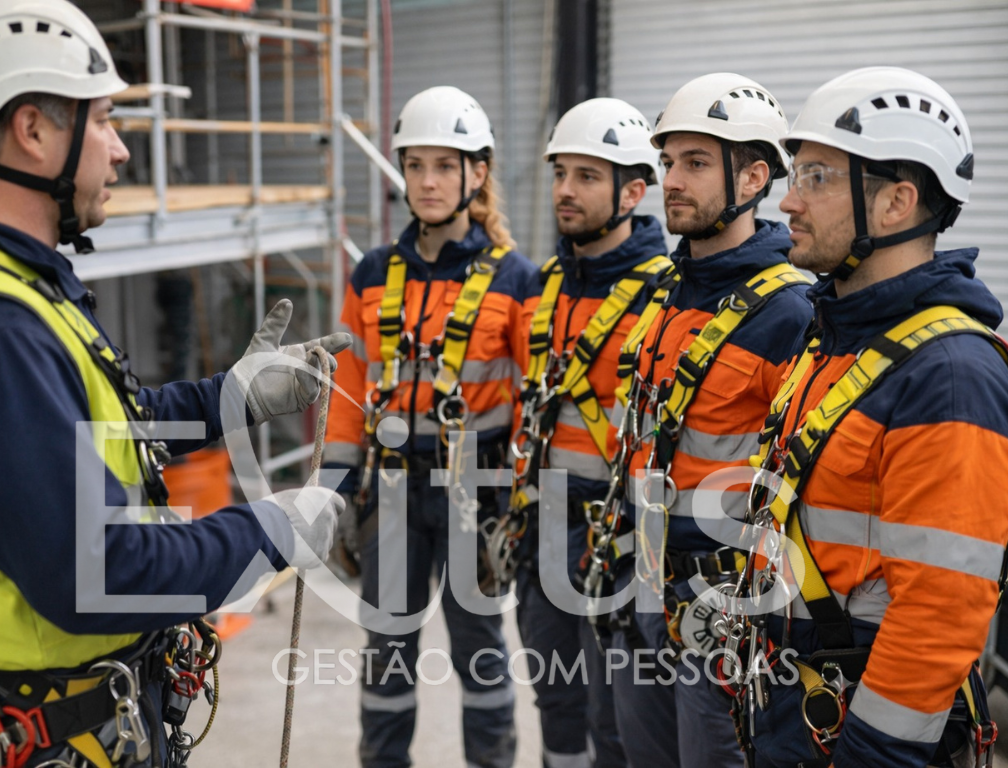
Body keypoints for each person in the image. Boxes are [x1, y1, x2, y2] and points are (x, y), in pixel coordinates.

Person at [0, 0, 347, 766]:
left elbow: (106, 430)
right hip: (45, 737)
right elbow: (99, 576)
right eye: (107, 120)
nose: (120, 151)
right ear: (33, 130)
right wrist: (271, 531)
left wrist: (235, 397)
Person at [735, 66, 1008, 768]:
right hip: (796, 713)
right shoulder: (833, 339)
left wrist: (872, 756)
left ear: (896, 202)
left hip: (863, 741)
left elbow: (938, 616)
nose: (788, 200)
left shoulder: (948, 374)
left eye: (817, 178)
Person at [595, 73, 813, 768]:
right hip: (642, 582)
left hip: (723, 608)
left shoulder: (790, 312)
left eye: (695, 163)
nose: (672, 181)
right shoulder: (664, 294)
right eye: (667, 163)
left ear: (753, 178)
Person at [323, 85, 537, 768]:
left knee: (479, 650)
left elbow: (533, 402)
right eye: (415, 165)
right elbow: (348, 392)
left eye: (445, 166)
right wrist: (333, 488)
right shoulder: (371, 274)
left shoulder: (516, 280)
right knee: (386, 651)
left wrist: (523, 502)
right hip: (388, 491)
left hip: (477, 493)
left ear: (478, 173)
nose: (428, 181)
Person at [503, 97, 668, 768]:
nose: (565, 191)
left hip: (620, 540)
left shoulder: (667, 296)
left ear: (632, 192)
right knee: (556, 700)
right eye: (560, 173)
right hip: (540, 529)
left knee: (618, 720)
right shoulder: (542, 287)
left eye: (587, 176)